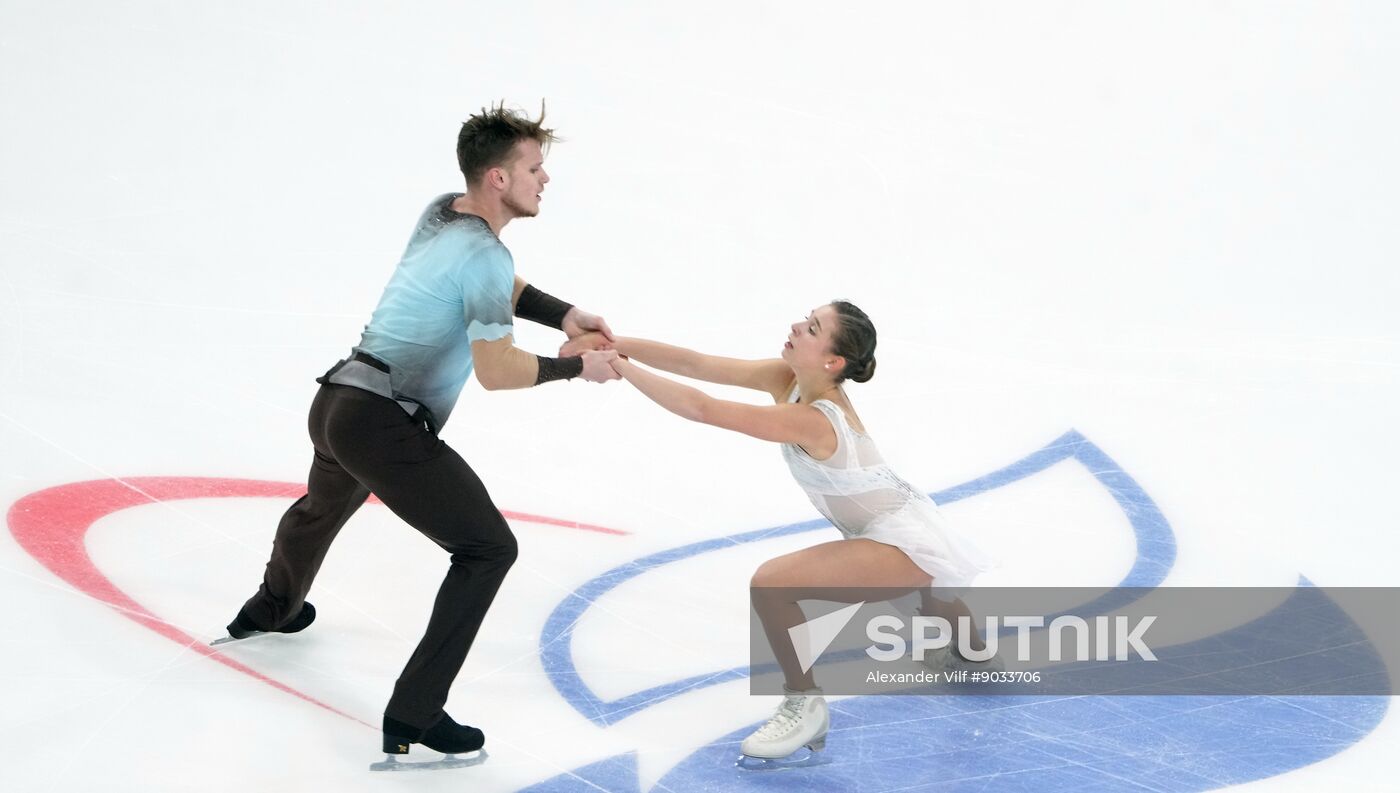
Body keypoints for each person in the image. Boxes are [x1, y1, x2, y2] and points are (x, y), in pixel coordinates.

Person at [222, 102, 619, 764]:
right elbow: (497, 370)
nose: (543, 178)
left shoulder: (445, 212)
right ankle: (416, 709)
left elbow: (497, 281)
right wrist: (576, 366)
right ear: (497, 178)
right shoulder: (485, 256)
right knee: (488, 548)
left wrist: (566, 313)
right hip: (384, 423)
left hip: (338, 400)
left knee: (323, 507)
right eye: (533, 167)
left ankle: (271, 608)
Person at [562, 301, 996, 760]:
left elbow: (702, 408)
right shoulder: (786, 379)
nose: (796, 327)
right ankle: (973, 651)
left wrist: (618, 365)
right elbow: (697, 364)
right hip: (899, 519)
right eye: (805, 319)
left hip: (902, 538)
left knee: (773, 585)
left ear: (833, 362)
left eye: (812, 329)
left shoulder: (814, 418)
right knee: (933, 594)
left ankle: (804, 704)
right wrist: (614, 342)